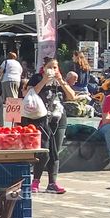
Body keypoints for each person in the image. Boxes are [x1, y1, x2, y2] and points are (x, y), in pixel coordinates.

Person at [22, 58, 75, 194]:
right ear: (44, 68)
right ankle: (36, 180)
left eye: (56, 67)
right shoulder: (37, 78)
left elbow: (71, 96)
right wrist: (44, 80)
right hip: (41, 119)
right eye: (50, 67)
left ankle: (52, 182)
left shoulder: (60, 81)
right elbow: (28, 93)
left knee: (55, 151)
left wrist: (62, 82)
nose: (53, 69)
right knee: (44, 150)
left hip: (58, 119)